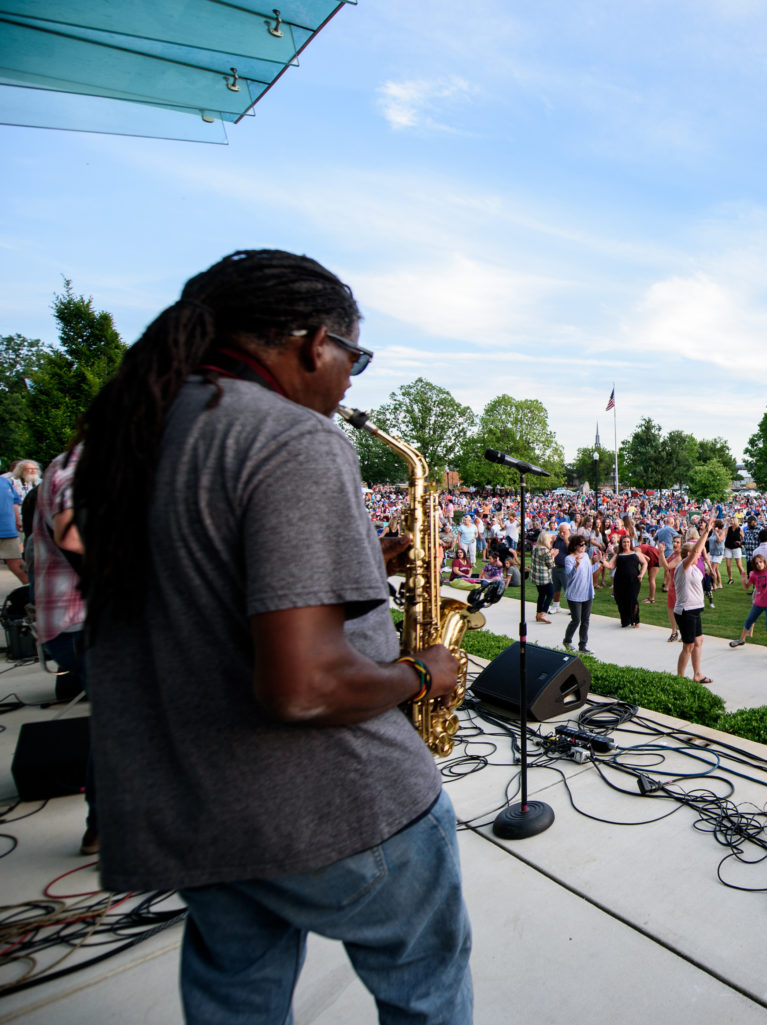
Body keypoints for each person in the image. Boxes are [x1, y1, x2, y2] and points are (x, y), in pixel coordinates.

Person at [74, 250, 472, 1022]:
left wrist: (364, 559)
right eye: (353, 357)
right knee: (425, 985)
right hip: (331, 802)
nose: (351, 380)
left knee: (238, 1001)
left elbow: (200, 585)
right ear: (311, 342)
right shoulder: (294, 437)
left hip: (197, 805)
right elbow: (305, 684)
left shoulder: (134, 435)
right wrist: (423, 673)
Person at [31, 446, 95, 852]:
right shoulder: (82, 462)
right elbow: (72, 534)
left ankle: (105, 827)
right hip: (82, 620)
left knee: (121, 724)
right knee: (130, 725)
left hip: (78, 621)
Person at [673, 520, 713, 683]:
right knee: (688, 645)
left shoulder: (695, 568)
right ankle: (680, 679)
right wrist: (706, 532)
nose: (698, 556)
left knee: (698, 641)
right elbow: (696, 550)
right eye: (695, 554)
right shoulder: (684, 566)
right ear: (688, 555)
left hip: (695, 609)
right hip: (685, 611)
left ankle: (697, 674)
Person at [730, 553, 767, 648]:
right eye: (756, 563)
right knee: (749, 622)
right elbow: (747, 587)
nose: (759, 564)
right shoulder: (754, 575)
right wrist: (743, 580)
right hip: (758, 603)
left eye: (760, 562)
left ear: (764, 562)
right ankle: (741, 640)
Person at [562, 535, 596, 653]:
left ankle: (583, 645)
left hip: (587, 592)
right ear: (575, 545)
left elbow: (590, 570)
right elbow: (569, 575)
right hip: (574, 594)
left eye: (585, 544)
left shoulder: (586, 556)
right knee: (576, 620)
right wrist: (576, 565)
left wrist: (601, 562)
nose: (584, 546)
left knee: (585, 620)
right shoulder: (569, 559)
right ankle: (567, 641)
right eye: (581, 544)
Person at [606, 533, 646, 628]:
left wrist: (641, 574)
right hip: (620, 581)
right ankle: (625, 620)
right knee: (621, 600)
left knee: (632, 600)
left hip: (633, 581)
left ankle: (636, 620)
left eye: (628, 542)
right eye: (624, 542)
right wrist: (603, 561)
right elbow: (610, 566)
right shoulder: (618, 555)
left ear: (630, 543)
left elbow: (644, 563)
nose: (626, 544)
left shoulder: (636, 553)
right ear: (621, 544)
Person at [530, 531, 556, 623]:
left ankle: (538, 613)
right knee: (550, 594)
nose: (551, 541)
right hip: (544, 577)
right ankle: (543, 614)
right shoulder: (545, 550)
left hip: (536, 576)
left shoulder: (535, 548)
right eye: (550, 539)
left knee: (541, 595)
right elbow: (551, 564)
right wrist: (553, 555)